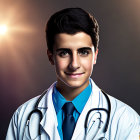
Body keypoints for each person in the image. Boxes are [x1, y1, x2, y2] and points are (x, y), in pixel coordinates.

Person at [6, 7, 140, 140]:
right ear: (51, 57)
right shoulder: (23, 117)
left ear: (95, 56)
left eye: (83, 52)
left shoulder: (125, 120)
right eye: (64, 53)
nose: (74, 64)